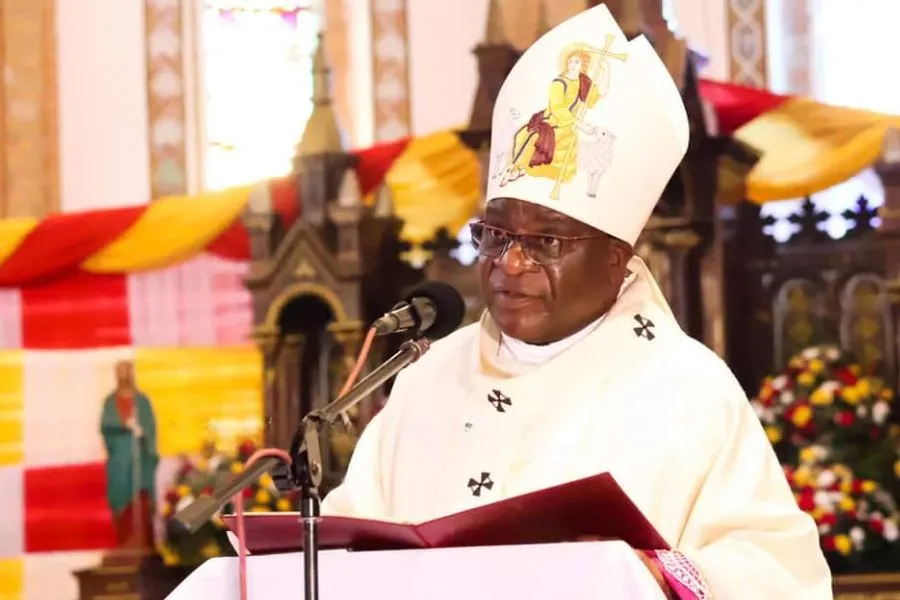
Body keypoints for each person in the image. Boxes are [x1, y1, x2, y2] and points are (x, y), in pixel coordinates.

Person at [323, 5, 832, 599]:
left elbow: (781, 576)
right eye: (497, 234)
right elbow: (344, 554)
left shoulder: (688, 389)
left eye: (547, 241)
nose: (511, 263)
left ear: (618, 255)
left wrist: (656, 577)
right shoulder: (426, 379)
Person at [100, 359, 160, 553]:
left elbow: (151, 429)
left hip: (139, 460)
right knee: (120, 498)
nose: (123, 376)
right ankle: (125, 544)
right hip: (119, 461)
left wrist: (142, 433)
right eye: (120, 372)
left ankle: (142, 544)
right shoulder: (110, 402)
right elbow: (106, 428)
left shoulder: (142, 400)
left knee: (140, 501)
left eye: (126, 372)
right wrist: (124, 427)